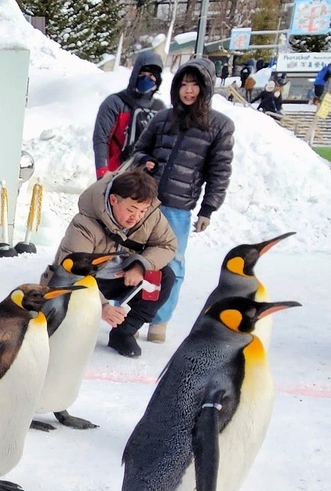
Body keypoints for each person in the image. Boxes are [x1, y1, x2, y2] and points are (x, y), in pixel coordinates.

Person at [133, 58, 234, 344]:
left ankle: (159, 321)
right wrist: (146, 161)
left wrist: (208, 209)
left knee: (172, 265)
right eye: (184, 84)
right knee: (135, 258)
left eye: (195, 85)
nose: (188, 91)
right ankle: (129, 317)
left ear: (206, 89)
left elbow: (219, 171)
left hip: (178, 208)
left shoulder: (220, 126)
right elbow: (139, 150)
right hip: (145, 204)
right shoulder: (162, 118)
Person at [46, 169, 176, 359]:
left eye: (142, 211)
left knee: (164, 277)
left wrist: (141, 265)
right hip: (87, 282)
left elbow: (168, 244)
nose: (136, 217)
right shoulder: (84, 223)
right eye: (131, 210)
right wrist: (103, 306)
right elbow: (72, 272)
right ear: (114, 200)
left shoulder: (151, 216)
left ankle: (124, 332)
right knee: (64, 333)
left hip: (123, 278)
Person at [92, 50, 165, 179]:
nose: (145, 78)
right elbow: (101, 139)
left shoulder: (160, 108)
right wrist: (102, 172)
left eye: (151, 75)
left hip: (147, 180)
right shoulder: (115, 103)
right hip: (117, 175)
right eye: (141, 74)